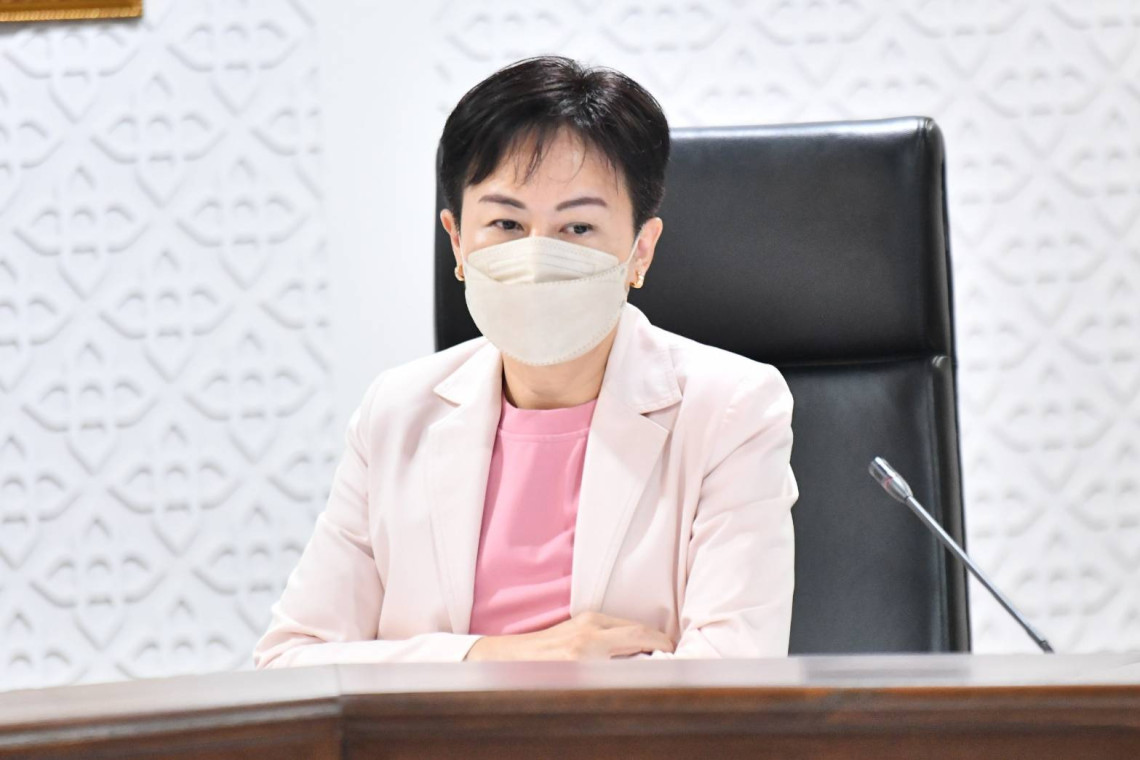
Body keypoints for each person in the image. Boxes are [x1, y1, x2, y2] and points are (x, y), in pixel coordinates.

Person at [252, 55, 797, 665]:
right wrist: (495, 658)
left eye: (578, 228)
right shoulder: (396, 413)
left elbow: (732, 676)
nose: (537, 256)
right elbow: (290, 660)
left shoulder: (731, 410)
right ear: (458, 242)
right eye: (506, 222)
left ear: (641, 251)